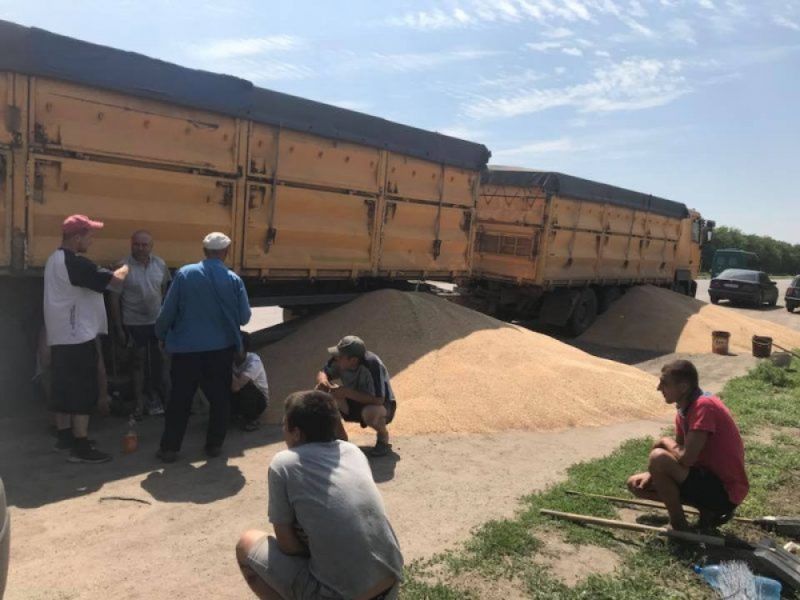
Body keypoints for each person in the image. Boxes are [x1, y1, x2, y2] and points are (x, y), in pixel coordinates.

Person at [236, 390, 403, 600]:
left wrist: (313, 545)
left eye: (284, 426)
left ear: (296, 433)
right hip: (390, 584)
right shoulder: (352, 451)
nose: (283, 431)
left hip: (339, 595)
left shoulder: (283, 463)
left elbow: (287, 544)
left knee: (246, 544)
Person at [155, 232, 251, 462]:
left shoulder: (185, 274)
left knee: (180, 399)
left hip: (186, 351)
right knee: (219, 398)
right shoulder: (233, 279)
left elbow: (167, 311)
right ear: (226, 252)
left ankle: (170, 449)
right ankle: (214, 445)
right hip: (220, 351)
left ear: (204, 251)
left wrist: (161, 334)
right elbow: (245, 317)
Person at [44, 214, 129, 463]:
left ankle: (64, 438)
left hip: (60, 335)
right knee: (83, 391)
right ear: (77, 237)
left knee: (63, 389)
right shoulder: (74, 263)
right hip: (77, 336)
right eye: (90, 236)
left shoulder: (54, 259)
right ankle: (81, 447)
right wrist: (125, 267)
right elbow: (114, 282)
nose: (92, 241)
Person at [626, 360, 748, 530]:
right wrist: (652, 473)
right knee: (636, 484)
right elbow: (677, 454)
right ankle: (706, 512)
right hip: (705, 479)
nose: (659, 388)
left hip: (726, 492)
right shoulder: (685, 410)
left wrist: (663, 441)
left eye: (664, 383)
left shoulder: (704, 406)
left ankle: (679, 524)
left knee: (658, 457)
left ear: (683, 387)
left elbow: (686, 458)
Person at [109, 230, 171, 419]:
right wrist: (119, 328)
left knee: (161, 362)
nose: (141, 248)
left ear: (151, 246)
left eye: (145, 245)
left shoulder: (160, 264)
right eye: (137, 244)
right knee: (137, 364)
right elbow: (114, 299)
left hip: (156, 323)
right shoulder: (122, 267)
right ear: (131, 244)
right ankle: (139, 403)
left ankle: (162, 401)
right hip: (134, 324)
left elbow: (164, 293)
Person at [315, 336, 397, 457]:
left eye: (340, 356)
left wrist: (346, 392)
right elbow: (323, 372)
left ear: (353, 360)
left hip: (382, 407)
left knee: (370, 412)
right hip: (354, 403)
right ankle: (341, 439)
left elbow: (379, 400)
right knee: (322, 394)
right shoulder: (339, 361)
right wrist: (323, 380)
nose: (336, 358)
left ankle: (383, 437)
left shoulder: (372, 364)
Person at [232, 332, 269, 432]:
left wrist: (225, 367)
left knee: (246, 386)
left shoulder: (254, 361)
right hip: (239, 397)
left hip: (258, 401)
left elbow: (236, 387)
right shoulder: (231, 360)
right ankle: (234, 413)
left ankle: (252, 419)